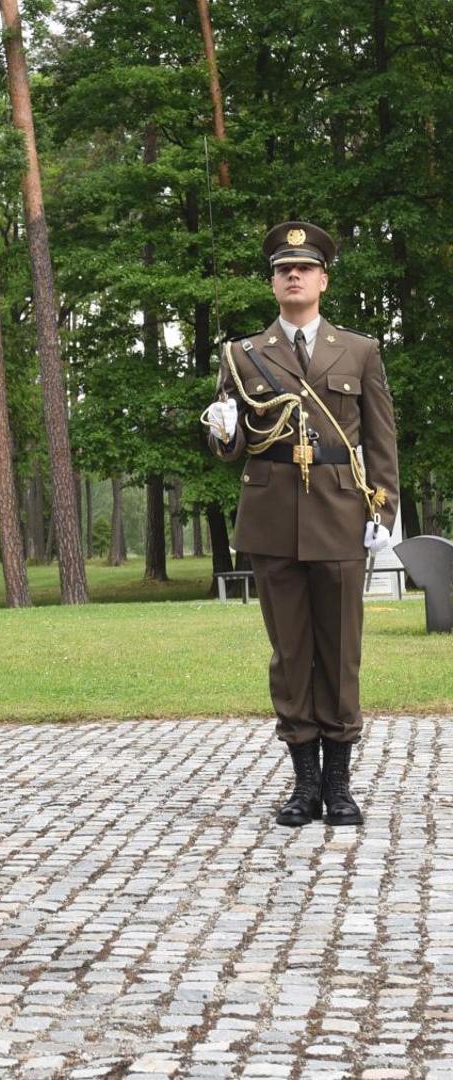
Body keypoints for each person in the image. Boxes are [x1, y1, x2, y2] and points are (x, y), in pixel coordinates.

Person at [205, 220, 399, 830]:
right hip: (271, 516)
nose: (294, 275)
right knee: (290, 654)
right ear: (272, 283)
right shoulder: (242, 355)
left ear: (323, 279)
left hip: (342, 512)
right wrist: (221, 430)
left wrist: (385, 511)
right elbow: (231, 446)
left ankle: (340, 785)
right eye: (283, 269)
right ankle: (304, 784)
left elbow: (380, 437)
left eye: (305, 267)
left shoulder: (360, 350)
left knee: (339, 651)